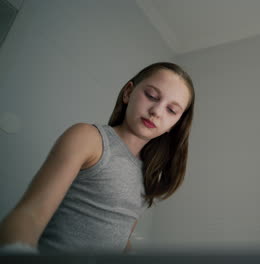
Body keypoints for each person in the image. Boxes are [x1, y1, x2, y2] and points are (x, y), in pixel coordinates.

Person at [0, 62, 195, 254]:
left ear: (174, 124)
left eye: (171, 110)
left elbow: (121, 237)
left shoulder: (148, 173)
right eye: (151, 96)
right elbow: (30, 215)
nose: (157, 111)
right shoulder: (89, 139)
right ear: (128, 93)